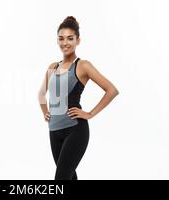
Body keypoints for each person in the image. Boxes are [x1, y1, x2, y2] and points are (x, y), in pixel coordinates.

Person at [38, 16, 119, 180]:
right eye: (61, 38)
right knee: (69, 177)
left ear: (78, 40)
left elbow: (111, 90)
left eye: (70, 38)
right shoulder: (52, 67)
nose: (65, 43)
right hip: (54, 131)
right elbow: (41, 94)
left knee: (60, 179)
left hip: (75, 130)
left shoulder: (82, 65)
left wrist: (90, 114)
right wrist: (45, 112)